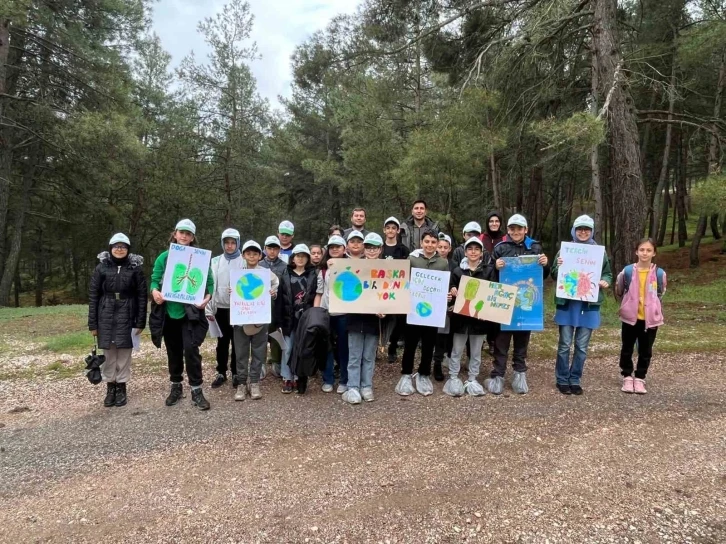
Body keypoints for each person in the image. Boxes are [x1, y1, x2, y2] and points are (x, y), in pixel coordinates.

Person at [149, 219, 213, 410]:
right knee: (173, 350)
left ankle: (196, 389)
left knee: (191, 350)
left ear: (192, 237)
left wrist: (207, 298)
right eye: (181, 232)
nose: (184, 236)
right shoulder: (164, 257)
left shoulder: (201, 258)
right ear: (175, 234)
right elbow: (154, 280)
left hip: (190, 313)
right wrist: (155, 292)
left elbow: (209, 282)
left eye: (188, 234)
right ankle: (176, 386)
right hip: (169, 312)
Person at [486, 214, 549, 395]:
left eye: (519, 228)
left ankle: (519, 374)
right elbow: (489, 274)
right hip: (504, 303)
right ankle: (498, 375)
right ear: (508, 230)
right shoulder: (500, 247)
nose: (516, 232)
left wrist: (545, 265)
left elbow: (542, 276)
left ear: (525, 230)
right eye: (512, 228)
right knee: (501, 341)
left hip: (526, 304)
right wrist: (495, 266)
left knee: (522, 340)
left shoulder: (535, 247)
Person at [550, 216, 612, 395]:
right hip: (568, 304)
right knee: (564, 345)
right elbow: (554, 274)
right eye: (580, 229)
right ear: (574, 230)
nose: (583, 232)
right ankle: (562, 379)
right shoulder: (565, 250)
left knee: (582, 347)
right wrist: (559, 266)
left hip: (589, 306)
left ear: (592, 231)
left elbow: (607, 273)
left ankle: (575, 378)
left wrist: (605, 281)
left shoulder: (599, 253)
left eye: (587, 229)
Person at [88, 233, 147, 408]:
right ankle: (110, 386)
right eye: (116, 246)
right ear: (110, 248)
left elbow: (142, 296)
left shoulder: (135, 268)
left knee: (124, 352)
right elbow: (93, 295)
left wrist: (140, 321)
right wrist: (93, 323)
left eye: (123, 246)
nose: (119, 249)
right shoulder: (101, 268)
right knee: (108, 352)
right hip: (105, 312)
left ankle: (121, 386)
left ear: (128, 249)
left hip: (128, 312)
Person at [396, 229, 449, 397]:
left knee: (429, 344)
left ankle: (424, 374)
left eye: (433, 243)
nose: (430, 245)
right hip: (413, 310)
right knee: (410, 343)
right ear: (421, 243)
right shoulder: (411, 259)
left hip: (433, 312)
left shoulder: (443, 263)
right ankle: (406, 374)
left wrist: (446, 294)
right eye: (427, 242)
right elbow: (403, 279)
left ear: (437, 245)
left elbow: (443, 285)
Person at [615, 238, 666, 395]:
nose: (645, 253)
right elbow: (619, 289)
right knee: (627, 348)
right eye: (642, 250)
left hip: (650, 319)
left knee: (646, 349)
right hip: (630, 317)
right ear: (636, 251)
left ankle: (640, 377)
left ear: (654, 253)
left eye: (649, 250)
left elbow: (660, 292)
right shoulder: (628, 271)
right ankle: (627, 376)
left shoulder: (659, 273)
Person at [445, 237, 495, 397]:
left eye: (476, 249)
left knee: (476, 352)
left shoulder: (488, 271)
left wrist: (486, 312)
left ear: (481, 253)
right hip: (460, 320)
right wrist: (452, 290)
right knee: (456, 350)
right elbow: (451, 295)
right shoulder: (458, 272)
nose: (473, 252)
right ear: (465, 252)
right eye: (470, 249)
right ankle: (453, 377)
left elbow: (491, 294)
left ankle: (473, 378)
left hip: (479, 321)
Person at [233, 240, 279, 401]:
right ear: (244, 255)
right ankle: (241, 383)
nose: (251, 256)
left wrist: (273, 293)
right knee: (241, 352)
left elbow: (275, 286)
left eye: (255, 253)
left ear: (260, 256)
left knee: (259, 351)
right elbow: (231, 292)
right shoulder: (237, 273)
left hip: (260, 318)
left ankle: (254, 382)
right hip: (241, 319)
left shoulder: (266, 273)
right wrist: (232, 291)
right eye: (248, 253)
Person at [343, 232, 385, 404]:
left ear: (380, 249)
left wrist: (385, 310)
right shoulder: (353, 266)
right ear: (363, 248)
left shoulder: (386, 269)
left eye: (375, 247)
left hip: (373, 320)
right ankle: (353, 387)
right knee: (354, 356)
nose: (371, 250)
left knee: (368, 356)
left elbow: (391, 295)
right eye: (368, 247)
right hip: (354, 319)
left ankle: (366, 385)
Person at [278, 244, 319, 394]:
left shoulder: (313, 275)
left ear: (307, 258)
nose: (300, 258)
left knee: (301, 349)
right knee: (287, 348)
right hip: (289, 319)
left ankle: (297, 376)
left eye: (303, 256)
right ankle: (286, 377)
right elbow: (280, 301)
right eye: (298, 256)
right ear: (293, 258)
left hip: (305, 320)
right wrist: (279, 321)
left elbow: (315, 296)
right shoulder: (285, 274)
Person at [207, 228, 244, 389]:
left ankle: (236, 372)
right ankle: (221, 371)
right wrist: (209, 308)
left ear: (238, 244)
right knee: (222, 342)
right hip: (220, 308)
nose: (229, 246)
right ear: (222, 243)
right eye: (226, 243)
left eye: (233, 243)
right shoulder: (215, 261)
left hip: (238, 308)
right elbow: (210, 285)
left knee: (238, 342)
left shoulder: (244, 260)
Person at [314, 234, 349, 393]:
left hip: (344, 313)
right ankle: (328, 379)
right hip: (326, 312)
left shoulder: (352, 266)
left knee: (343, 347)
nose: (335, 249)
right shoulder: (322, 270)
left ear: (344, 249)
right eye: (332, 247)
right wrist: (316, 313)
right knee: (326, 347)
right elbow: (319, 292)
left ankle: (344, 379)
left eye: (338, 247)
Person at [381, 217, 410, 364]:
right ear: (384, 230)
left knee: (398, 320)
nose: (391, 230)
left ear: (398, 230)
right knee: (381, 318)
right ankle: (379, 347)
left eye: (394, 228)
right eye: (388, 227)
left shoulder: (403, 250)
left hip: (398, 291)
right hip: (381, 289)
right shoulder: (379, 248)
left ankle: (392, 347)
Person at [260, 235, 287, 378]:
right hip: (260, 307)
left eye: (275, 248)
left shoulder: (284, 266)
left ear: (279, 250)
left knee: (276, 333)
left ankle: (277, 361)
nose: (272, 251)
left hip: (277, 306)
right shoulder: (259, 265)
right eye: (269, 248)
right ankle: (261, 363)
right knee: (261, 335)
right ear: (264, 249)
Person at [432, 233, 455, 381]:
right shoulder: (431, 262)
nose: (442, 249)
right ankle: (434, 363)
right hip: (432, 305)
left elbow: (457, 283)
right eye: (439, 247)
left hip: (448, 307)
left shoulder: (454, 265)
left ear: (450, 248)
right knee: (434, 336)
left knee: (444, 337)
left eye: (445, 247)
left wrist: (453, 293)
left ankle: (440, 363)